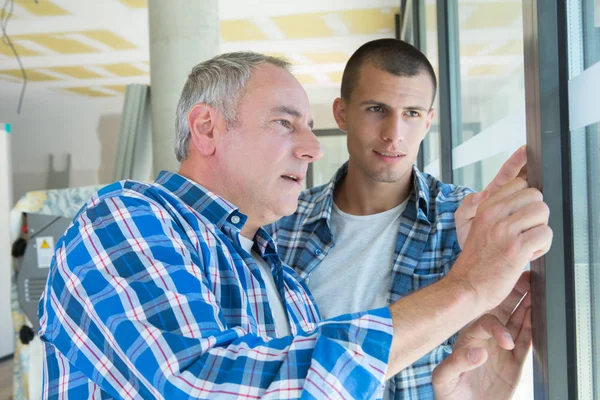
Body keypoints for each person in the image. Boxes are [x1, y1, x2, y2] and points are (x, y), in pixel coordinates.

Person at [38, 51, 551, 399]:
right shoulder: (124, 221)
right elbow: (203, 386)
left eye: (307, 126)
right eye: (285, 122)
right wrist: (467, 288)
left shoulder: (283, 281)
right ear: (207, 128)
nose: (311, 147)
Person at [268, 38, 538, 399]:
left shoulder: (469, 222)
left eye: (411, 113)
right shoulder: (282, 225)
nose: (394, 134)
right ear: (342, 113)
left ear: (428, 121)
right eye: (377, 108)